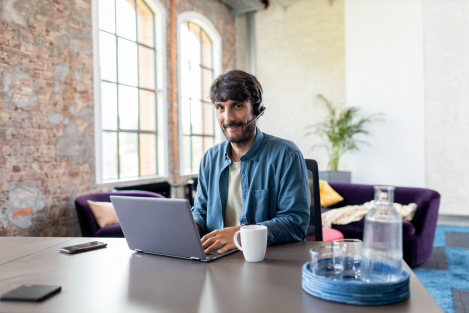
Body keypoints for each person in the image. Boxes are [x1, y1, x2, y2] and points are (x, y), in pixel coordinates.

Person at [191, 69, 310, 255]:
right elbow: (200, 211)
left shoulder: (286, 154)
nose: (228, 118)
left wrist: (241, 235)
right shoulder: (210, 158)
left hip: (264, 262)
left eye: (237, 106)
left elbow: (295, 222)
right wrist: (191, 229)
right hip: (213, 259)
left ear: (256, 108)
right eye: (220, 107)